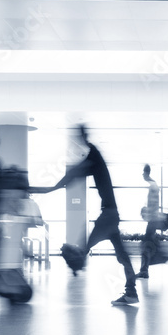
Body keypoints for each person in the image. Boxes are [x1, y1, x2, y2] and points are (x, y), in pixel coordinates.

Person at [29, 125, 138, 306]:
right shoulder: (93, 157)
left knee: (85, 248)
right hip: (111, 214)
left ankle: (77, 264)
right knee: (121, 255)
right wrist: (48, 189)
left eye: (80, 136)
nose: (78, 140)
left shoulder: (94, 156)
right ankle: (131, 292)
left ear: (85, 136)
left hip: (108, 216)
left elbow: (74, 173)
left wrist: (47, 189)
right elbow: (74, 174)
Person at [136, 163, 168, 279]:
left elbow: (154, 205)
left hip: (152, 221)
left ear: (146, 173)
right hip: (153, 220)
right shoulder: (153, 185)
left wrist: (147, 213)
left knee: (146, 245)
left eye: (143, 173)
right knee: (149, 245)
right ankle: (163, 260)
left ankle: (146, 270)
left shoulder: (153, 186)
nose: (143, 175)